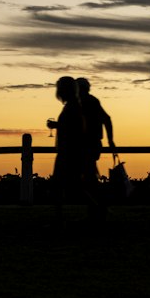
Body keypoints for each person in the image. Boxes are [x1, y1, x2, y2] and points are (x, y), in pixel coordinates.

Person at [46, 75, 100, 213]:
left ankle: (97, 209)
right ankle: (97, 209)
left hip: (69, 152)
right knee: (70, 186)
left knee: (62, 186)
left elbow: (73, 129)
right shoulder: (74, 106)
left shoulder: (73, 107)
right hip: (70, 151)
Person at [77, 77, 115, 162]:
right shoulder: (93, 101)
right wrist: (110, 141)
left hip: (82, 144)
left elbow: (106, 119)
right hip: (94, 143)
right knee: (90, 170)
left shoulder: (79, 102)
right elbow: (107, 119)